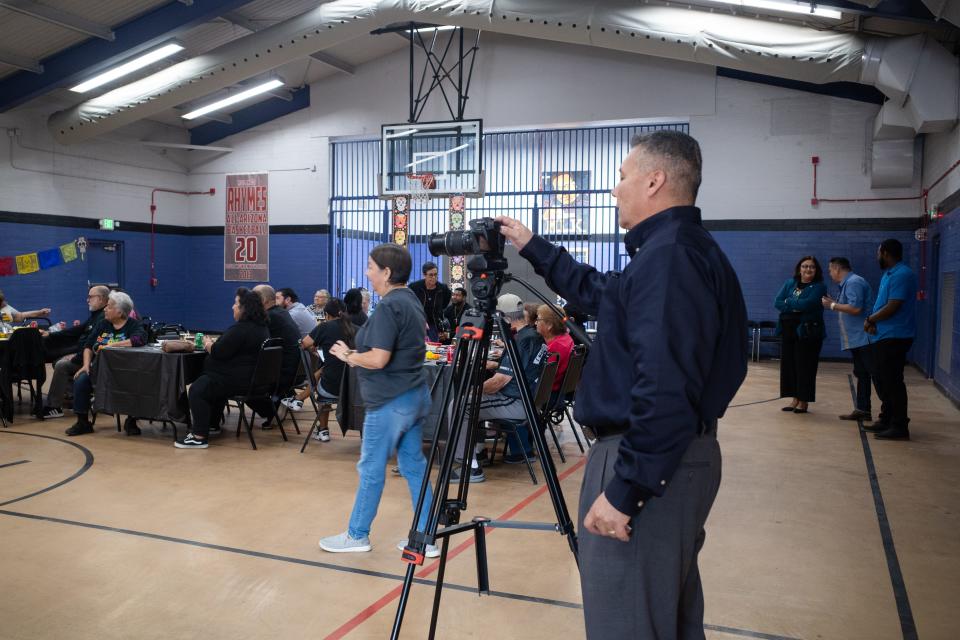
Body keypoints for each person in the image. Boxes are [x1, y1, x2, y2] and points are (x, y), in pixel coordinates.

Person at [497, 129, 748, 640]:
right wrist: (532, 245)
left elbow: (665, 386)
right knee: (662, 619)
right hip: (673, 457)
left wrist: (626, 488)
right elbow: (600, 292)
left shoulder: (670, 259)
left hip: (648, 460)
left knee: (627, 620)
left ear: (654, 181)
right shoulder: (676, 253)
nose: (615, 189)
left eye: (622, 176)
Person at [318, 244, 437, 557]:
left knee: (371, 467)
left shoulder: (389, 307)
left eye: (371, 267)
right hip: (413, 395)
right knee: (413, 465)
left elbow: (380, 358)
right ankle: (426, 535)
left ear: (386, 272)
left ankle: (357, 534)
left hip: (390, 402)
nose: (367, 272)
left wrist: (349, 355)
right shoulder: (410, 300)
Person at [456, 293, 548, 475]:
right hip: (531, 400)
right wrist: (499, 365)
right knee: (475, 400)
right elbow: (523, 368)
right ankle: (478, 452)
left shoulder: (521, 341)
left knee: (461, 404)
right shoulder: (535, 336)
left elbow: (499, 382)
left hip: (517, 402)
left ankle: (470, 467)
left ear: (504, 318)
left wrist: (473, 390)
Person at [176, 289, 271, 449]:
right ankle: (212, 425)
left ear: (244, 308)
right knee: (209, 386)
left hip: (236, 380)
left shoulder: (241, 329)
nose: (232, 307)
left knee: (197, 389)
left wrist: (207, 344)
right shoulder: (261, 328)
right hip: (251, 379)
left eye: (235, 303)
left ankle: (199, 436)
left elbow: (219, 352)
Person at [64, 291, 147, 436]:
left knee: (136, 382)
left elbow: (138, 340)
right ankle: (83, 422)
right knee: (81, 379)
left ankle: (131, 420)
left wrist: (111, 346)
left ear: (119, 311)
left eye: (108, 306)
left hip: (124, 371)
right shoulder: (103, 324)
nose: (105, 309)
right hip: (99, 370)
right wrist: (85, 365)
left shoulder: (133, 325)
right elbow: (88, 346)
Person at [862, 239, 917, 441]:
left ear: (885, 253)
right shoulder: (889, 274)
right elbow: (883, 304)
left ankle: (900, 425)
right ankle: (886, 419)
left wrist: (870, 319)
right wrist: (873, 322)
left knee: (893, 382)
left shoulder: (902, 274)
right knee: (884, 380)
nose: (877, 257)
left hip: (896, 336)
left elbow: (893, 306)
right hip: (884, 335)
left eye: (878, 253)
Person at [281, 297, 357, 442]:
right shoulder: (356, 329)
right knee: (325, 370)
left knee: (325, 376)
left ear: (327, 314)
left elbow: (303, 344)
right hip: (353, 390)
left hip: (331, 389)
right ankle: (299, 401)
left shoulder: (324, 327)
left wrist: (314, 347)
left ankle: (322, 429)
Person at [40, 286, 110, 419]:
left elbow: (93, 344)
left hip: (92, 360)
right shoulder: (95, 316)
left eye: (90, 297)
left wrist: (76, 357)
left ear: (101, 299)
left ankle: (54, 406)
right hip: (83, 353)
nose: (87, 300)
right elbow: (76, 331)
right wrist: (50, 334)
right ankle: (73, 396)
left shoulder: (103, 318)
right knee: (57, 361)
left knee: (61, 364)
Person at [822, 257, 875, 422]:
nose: (830, 274)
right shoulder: (849, 283)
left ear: (837, 269)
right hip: (857, 339)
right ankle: (862, 409)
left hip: (864, 338)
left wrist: (832, 306)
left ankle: (870, 411)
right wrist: (835, 303)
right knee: (861, 373)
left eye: (830, 270)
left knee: (869, 374)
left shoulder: (854, 282)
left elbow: (855, 308)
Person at [774, 256, 828, 413]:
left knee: (805, 367)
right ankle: (794, 399)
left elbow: (809, 304)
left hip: (808, 332)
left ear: (816, 270)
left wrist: (788, 302)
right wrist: (794, 306)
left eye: (811, 267)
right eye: (804, 266)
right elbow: (777, 302)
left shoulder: (819, 286)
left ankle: (804, 401)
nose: (808, 269)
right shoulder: (790, 283)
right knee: (789, 366)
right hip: (788, 330)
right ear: (799, 268)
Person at [253, 284, 302, 423]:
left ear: (262, 300)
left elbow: (254, 341)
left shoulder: (269, 317)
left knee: (239, 379)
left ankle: (271, 410)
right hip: (293, 370)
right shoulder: (281, 312)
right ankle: (282, 399)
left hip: (282, 374)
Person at [408, 261, 451, 341]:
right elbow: (408, 304)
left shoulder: (443, 288)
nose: (434, 277)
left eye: (435, 274)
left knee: (432, 349)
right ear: (424, 275)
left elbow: (444, 304)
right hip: (417, 323)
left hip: (434, 325)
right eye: (431, 275)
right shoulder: (414, 287)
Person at [535, 304, 574, 392]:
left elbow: (541, 378)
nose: (535, 323)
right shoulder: (566, 338)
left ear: (549, 325)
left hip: (545, 394)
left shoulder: (555, 348)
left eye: (538, 319)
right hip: (557, 392)